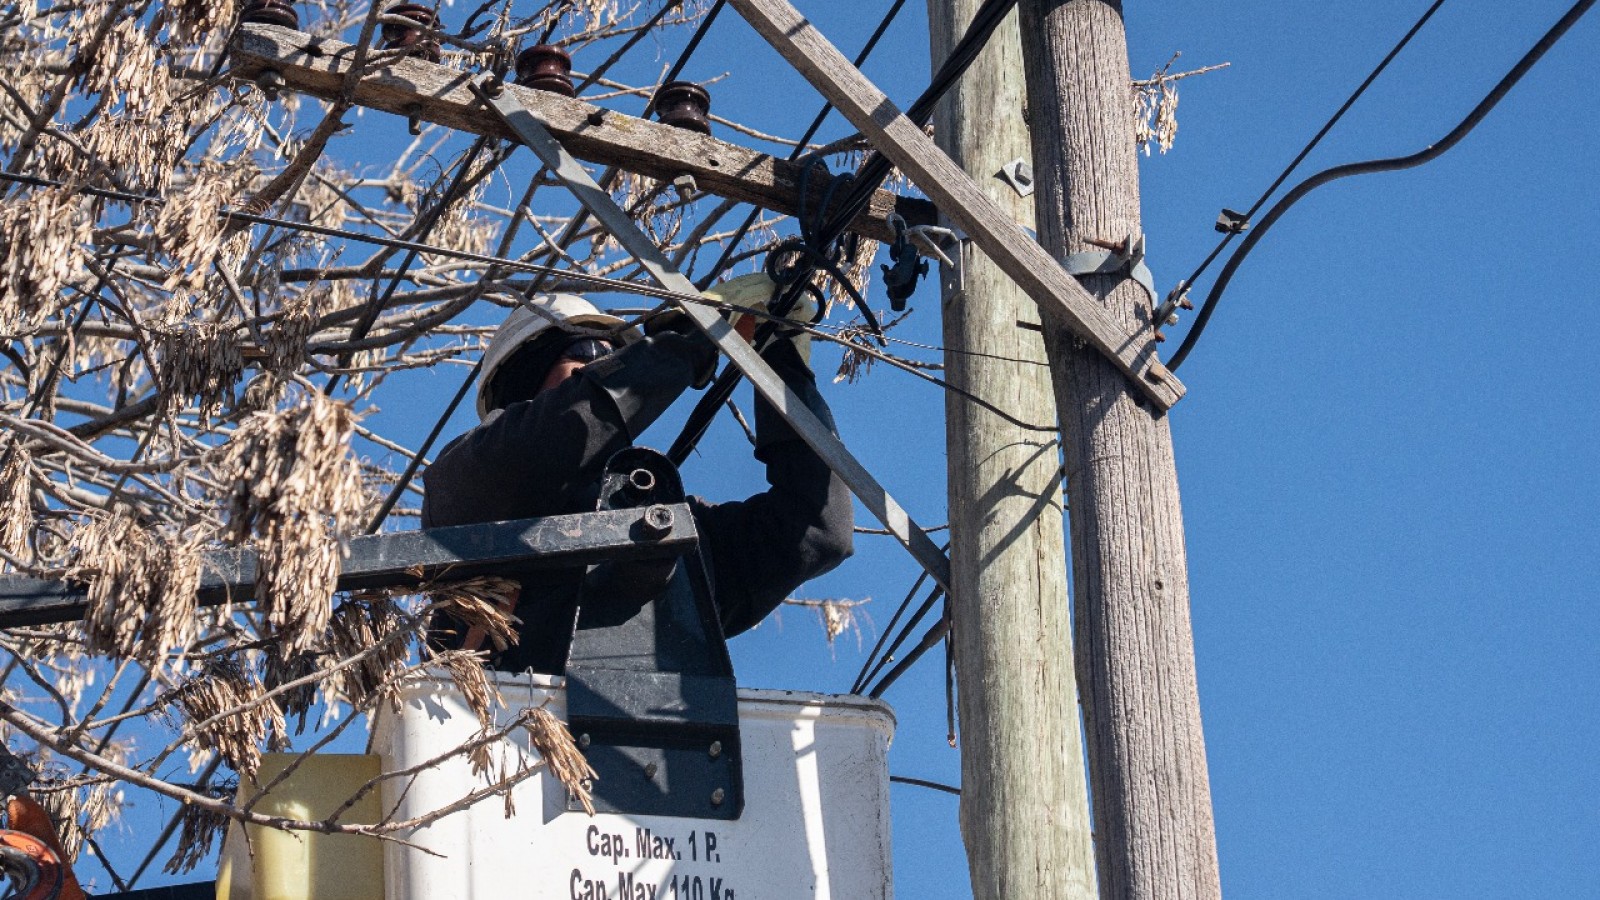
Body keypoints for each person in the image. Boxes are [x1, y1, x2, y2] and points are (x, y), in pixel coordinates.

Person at [421, 291, 853, 674]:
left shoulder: (666, 530)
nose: (603, 373)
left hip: (656, 756)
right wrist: (690, 345)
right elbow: (563, 431)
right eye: (585, 360)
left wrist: (781, 367)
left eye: (611, 363)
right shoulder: (467, 479)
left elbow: (814, 527)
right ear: (524, 384)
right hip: (500, 746)